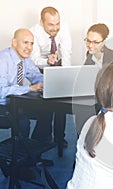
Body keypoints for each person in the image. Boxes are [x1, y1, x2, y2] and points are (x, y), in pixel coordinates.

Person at [30, 6, 72, 147]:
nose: (55, 28)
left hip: (58, 65)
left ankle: (60, 137)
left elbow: (66, 53)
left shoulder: (63, 28)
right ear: (42, 22)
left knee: (62, 103)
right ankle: (43, 137)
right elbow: (34, 60)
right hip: (41, 67)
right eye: (50, 25)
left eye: (57, 23)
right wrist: (47, 61)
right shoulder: (33, 32)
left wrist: (65, 76)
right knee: (46, 105)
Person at [0, 28, 52, 141]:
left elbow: (36, 76)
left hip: (16, 102)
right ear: (14, 42)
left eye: (31, 43)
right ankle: (20, 153)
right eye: (25, 42)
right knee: (22, 121)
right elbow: (1, 92)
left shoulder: (25, 59)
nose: (29, 47)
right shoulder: (2, 59)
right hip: (2, 104)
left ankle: (36, 145)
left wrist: (48, 82)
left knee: (47, 109)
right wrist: (29, 88)